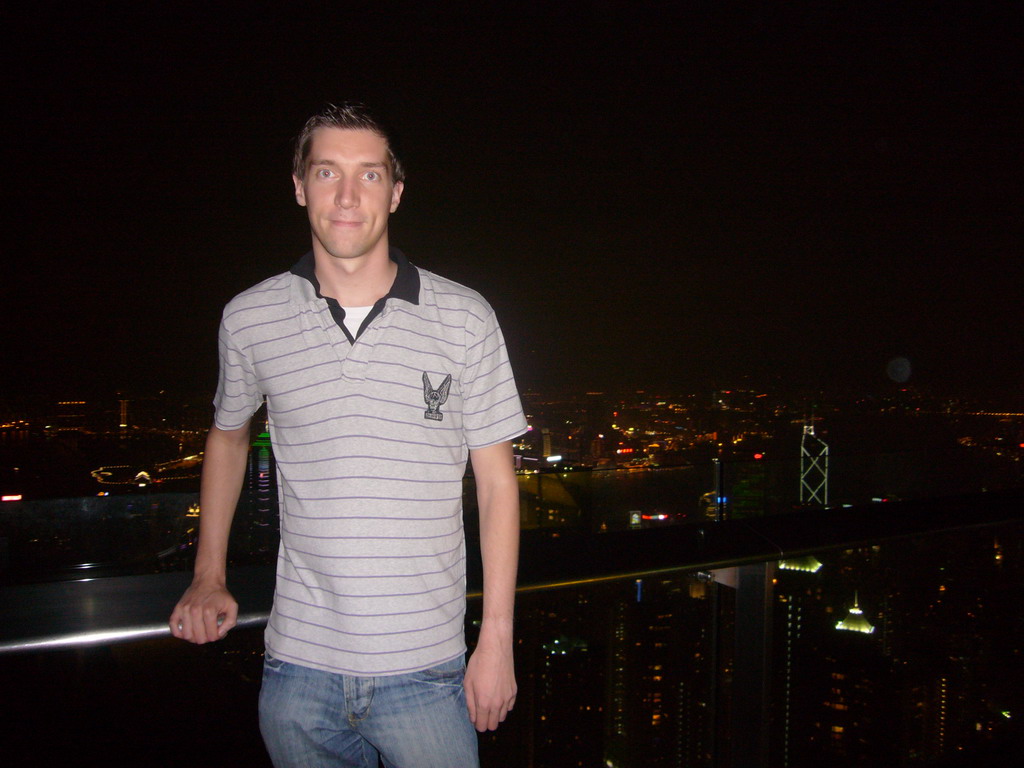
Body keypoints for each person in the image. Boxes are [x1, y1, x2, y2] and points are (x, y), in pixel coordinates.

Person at [169, 103, 527, 767]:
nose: (346, 196)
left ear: (395, 193)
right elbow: (228, 437)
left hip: (426, 671)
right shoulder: (250, 318)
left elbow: (498, 485)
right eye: (327, 172)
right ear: (300, 186)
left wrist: (496, 640)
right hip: (297, 672)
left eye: (368, 176)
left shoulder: (465, 318)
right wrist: (207, 573)